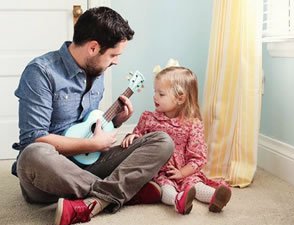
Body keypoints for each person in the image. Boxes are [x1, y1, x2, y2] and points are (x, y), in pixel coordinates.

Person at [11, 6, 174, 225]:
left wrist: (117, 120)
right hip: (49, 172)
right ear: (93, 48)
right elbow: (34, 138)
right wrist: (93, 146)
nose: (116, 61)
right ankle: (123, 192)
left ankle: (96, 200)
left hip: (90, 164)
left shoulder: (97, 72)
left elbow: (88, 125)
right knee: (32, 154)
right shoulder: (41, 72)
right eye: (114, 55)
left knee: (162, 141)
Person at [121, 66, 232, 215]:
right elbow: (138, 135)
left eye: (161, 94)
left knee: (195, 184)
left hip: (185, 171)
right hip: (159, 171)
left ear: (180, 98)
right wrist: (132, 137)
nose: (155, 97)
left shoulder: (193, 124)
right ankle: (178, 200)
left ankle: (215, 197)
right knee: (166, 188)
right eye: (155, 92)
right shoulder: (148, 118)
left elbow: (198, 157)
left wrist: (182, 173)